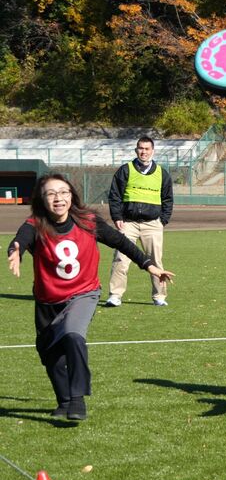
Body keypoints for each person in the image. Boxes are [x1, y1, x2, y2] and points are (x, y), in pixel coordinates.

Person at [6, 173, 174, 420]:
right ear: (42, 199)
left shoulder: (88, 221)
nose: (58, 198)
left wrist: (149, 264)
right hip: (47, 300)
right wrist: (16, 250)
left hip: (82, 294)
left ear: (71, 195)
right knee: (50, 355)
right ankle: (64, 401)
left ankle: (77, 399)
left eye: (63, 192)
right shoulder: (35, 224)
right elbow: (21, 239)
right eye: (51, 194)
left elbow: (121, 242)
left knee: (73, 335)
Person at [104, 136, 174, 307]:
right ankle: (115, 295)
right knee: (121, 258)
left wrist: (162, 221)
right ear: (136, 150)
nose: (143, 152)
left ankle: (159, 296)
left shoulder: (162, 173)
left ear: (153, 151)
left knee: (156, 261)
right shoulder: (125, 170)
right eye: (140, 148)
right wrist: (117, 217)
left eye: (147, 149)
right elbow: (115, 196)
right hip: (129, 223)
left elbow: (168, 199)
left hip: (152, 224)